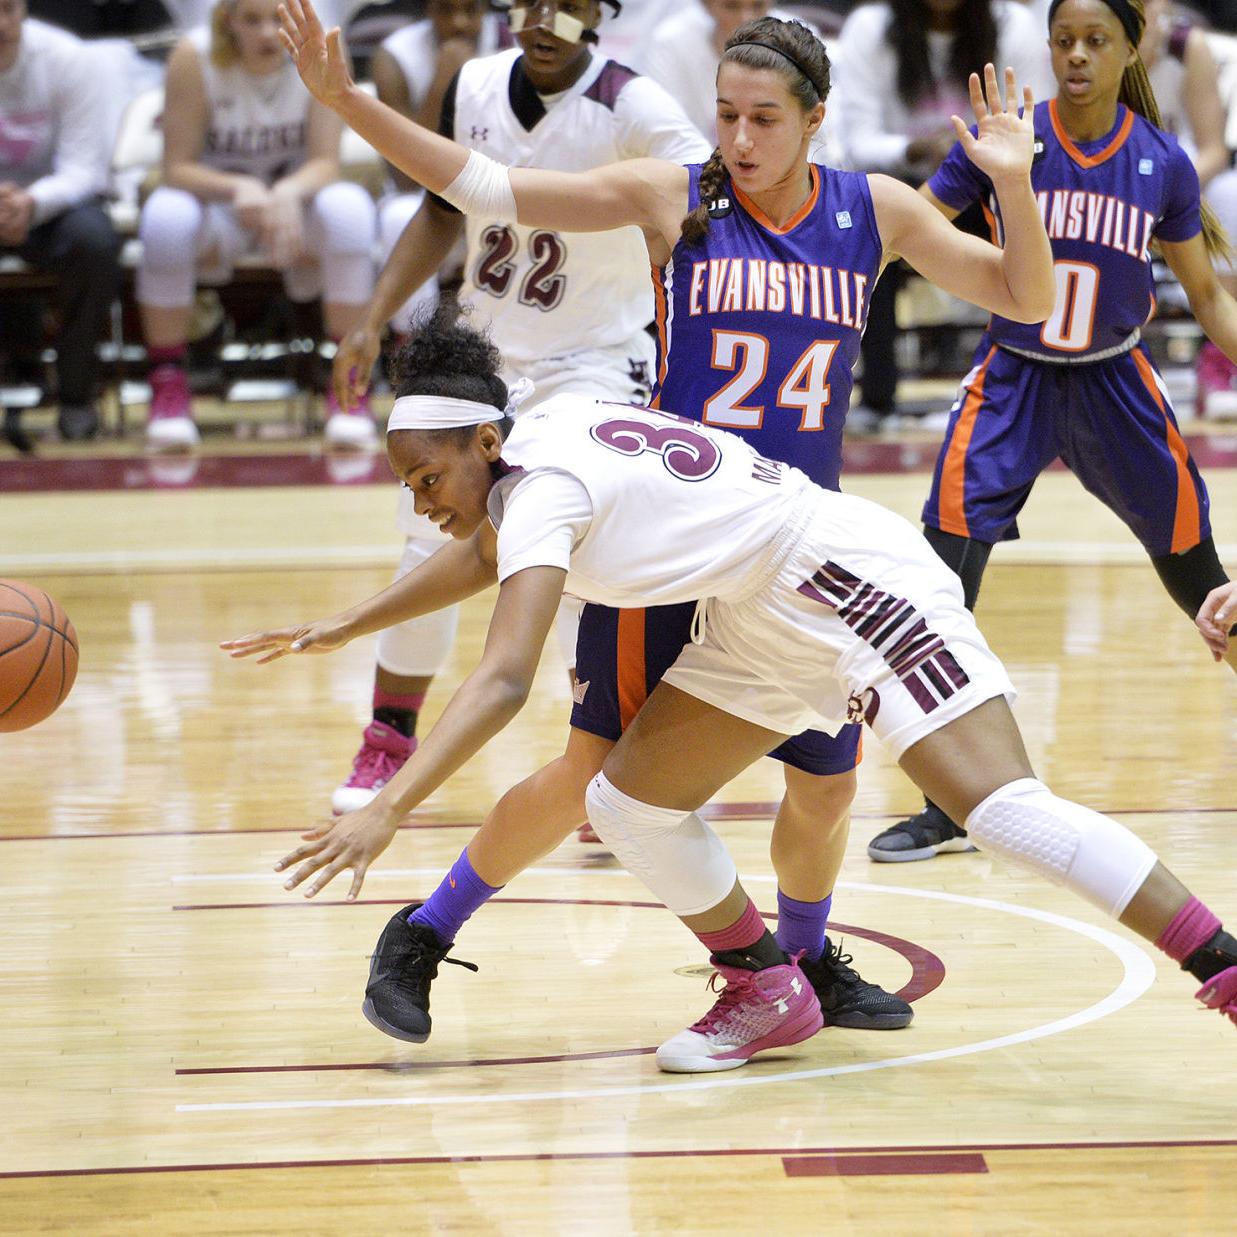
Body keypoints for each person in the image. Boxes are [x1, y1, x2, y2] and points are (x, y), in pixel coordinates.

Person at [235, 0, 1065, 1057]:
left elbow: (1023, 297)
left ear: (814, 119)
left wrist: (1012, 184)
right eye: (726, 115)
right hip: (674, 538)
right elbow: (487, 188)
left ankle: (801, 958)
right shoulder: (675, 197)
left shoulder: (876, 211)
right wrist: (349, 102)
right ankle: (424, 931)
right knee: (591, 769)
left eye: (765, 118)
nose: (740, 140)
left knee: (825, 782)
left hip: (803, 546)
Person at [226, 303, 1237, 1073]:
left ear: (481, 446)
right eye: (409, 488)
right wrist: (349, 624)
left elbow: (499, 679)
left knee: (1004, 811)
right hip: (757, 611)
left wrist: (392, 809)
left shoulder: (540, 492)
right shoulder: (543, 432)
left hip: (846, 579)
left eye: (426, 480)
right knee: (625, 799)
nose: (424, 502)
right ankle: (764, 986)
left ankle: (1222, 966)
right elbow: (488, 549)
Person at [868, 0, 1237, 865]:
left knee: (1202, 581)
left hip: (1116, 378)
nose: (1075, 55)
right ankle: (947, 801)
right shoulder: (1005, 138)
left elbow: (1210, 297)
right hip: (1011, 378)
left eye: (1094, 41)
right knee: (939, 587)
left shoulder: (1160, 161)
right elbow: (912, 228)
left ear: (1128, 49)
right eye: (1062, 40)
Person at [327, 0, 709, 825]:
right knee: (427, 534)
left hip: (594, 360)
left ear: (598, 12)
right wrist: (371, 315)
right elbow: (438, 210)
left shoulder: (635, 106)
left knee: (579, 557)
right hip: (482, 360)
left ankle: (617, 766)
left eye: (564, 4)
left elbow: (709, 198)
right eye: (527, 0)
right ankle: (388, 737)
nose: (541, 17)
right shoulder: (468, 84)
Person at [134, 0, 378, 452]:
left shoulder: (316, 51)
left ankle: (348, 390)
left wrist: (286, 191)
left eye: (278, 20)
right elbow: (177, 168)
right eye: (253, 20)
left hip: (293, 210)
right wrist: (239, 186)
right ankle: (168, 388)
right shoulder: (194, 57)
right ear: (229, 21)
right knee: (164, 216)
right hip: (221, 211)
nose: (268, 33)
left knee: (351, 210)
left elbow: (326, 164)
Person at [832, 0, 1054, 430]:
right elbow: (858, 142)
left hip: (989, 179)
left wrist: (980, 151)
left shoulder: (1014, 26)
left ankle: (1022, 387)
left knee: (1033, 238)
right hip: (901, 179)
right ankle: (877, 399)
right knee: (869, 232)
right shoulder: (870, 27)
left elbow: (1034, 125)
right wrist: (920, 148)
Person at [0, 0, 121, 449]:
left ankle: (76, 395)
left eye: (8, 9)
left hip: (51, 206)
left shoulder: (68, 59)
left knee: (94, 242)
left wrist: (30, 203)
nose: (1, 24)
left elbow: (86, 168)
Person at [364, 0, 504, 365]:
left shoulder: (516, 46)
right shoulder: (394, 56)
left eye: (470, 11)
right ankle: (412, 353)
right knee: (399, 214)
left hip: (498, 190)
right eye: (446, 10)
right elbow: (407, 174)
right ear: (427, 9)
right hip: (425, 195)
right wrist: (446, 82)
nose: (459, 23)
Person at [1136, 0, 1237, 416]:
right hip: (1110, 179)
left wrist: (1171, 186)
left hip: (1180, 175)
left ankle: (1221, 361)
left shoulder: (1185, 46)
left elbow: (1214, 149)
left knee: (1231, 195)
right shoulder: (1091, 38)